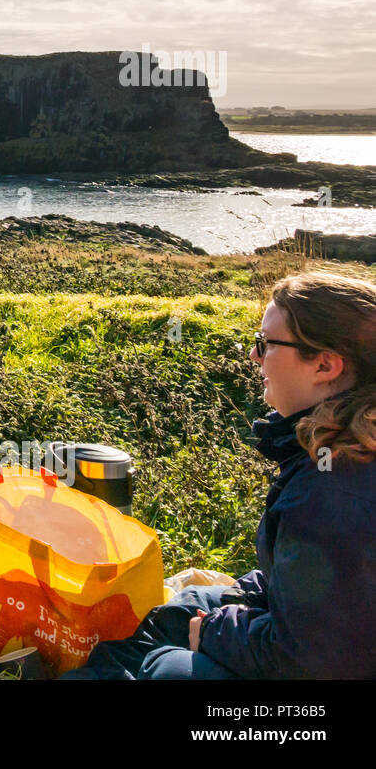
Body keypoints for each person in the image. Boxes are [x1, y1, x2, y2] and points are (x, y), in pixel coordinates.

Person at [70, 271, 376, 680]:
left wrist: (214, 631)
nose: (254, 356)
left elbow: (314, 660)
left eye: (266, 344)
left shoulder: (331, 488)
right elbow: (323, 594)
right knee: (184, 607)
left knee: (168, 668)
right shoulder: (338, 449)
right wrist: (236, 603)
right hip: (321, 640)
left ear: (324, 364)